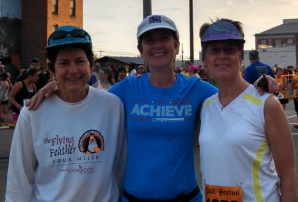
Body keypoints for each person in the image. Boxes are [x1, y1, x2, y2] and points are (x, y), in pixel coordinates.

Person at [27, 15, 278, 201]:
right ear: (141, 50)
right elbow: (87, 100)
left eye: (164, 38)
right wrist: (54, 87)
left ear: (177, 45)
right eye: (150, 40)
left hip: (186, 197)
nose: (157, 45)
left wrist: (261, 84)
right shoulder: (125, 90)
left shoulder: (198, 90)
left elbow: (234, 97)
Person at [5, 25, 126, 201]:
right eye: (63, 63)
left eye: (79, 61)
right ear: (52, 70)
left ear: (91, 65)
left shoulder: (113, 106)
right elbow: (19, 179)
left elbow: (120, 167)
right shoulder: (32, 113)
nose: (73, 70)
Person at [198, 18, 297, 201]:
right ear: (204, 59)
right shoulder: (206, 106)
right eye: (214, 50)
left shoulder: (266, 104)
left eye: (229, 49)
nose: (222, 56)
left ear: (240, 56)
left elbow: (288, 176)